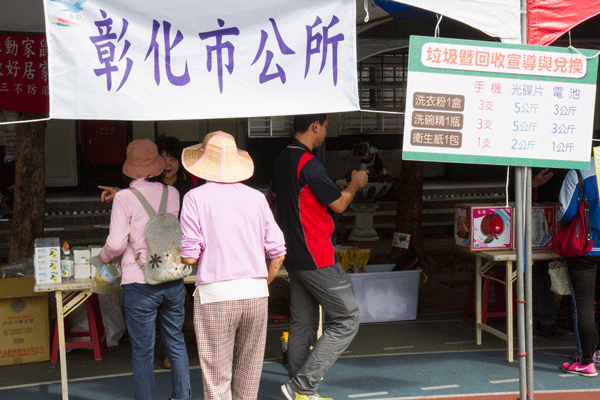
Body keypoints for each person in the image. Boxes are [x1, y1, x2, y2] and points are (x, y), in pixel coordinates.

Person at [179, 131, 286, 400]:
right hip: (256, 295)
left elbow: (190, 257)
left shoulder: (194, 197)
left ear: (203, 161)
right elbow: (278, 252)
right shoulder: (257, 198)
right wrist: (262, 283)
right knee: (249, 376)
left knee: (217, 379)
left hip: (216, 297)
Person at [272, 114, 368, 400]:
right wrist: (354, 184)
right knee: (347, 318)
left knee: (303, 323)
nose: (326, 132)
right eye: (326, 126)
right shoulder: (308, 163)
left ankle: (302, 392)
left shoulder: (282, 158)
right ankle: (302, 386)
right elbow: (338, 204)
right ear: (316, 125)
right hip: (317, 254)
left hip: (292, 253)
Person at [97, 139, 191, 399]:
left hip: (139, 283)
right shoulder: (172, 193)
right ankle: (182, 396)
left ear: (130, 168)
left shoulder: (124, 198)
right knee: (176, 342)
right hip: (171, 278)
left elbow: (116, 244)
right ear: (157, 167)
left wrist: (103, 258)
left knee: (142, 351)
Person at [556, 156, 600, 377]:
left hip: (586, 248)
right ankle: (597, 351)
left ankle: (586, 361)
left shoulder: (579, 173)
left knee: (583, 305)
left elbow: (566, 213)